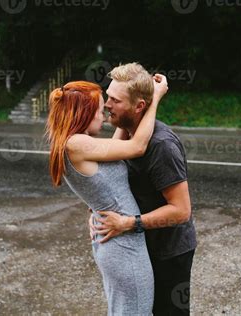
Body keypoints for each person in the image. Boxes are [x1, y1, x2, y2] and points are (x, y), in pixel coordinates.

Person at [45, 75, 168, 315]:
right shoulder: (77, 144)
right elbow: (137, 147)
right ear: (84, 114)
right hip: (124, 246)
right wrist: (154, 100)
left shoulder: (74, 142)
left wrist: (133, 105)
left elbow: (115, 152)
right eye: (100, 111)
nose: (105, 115)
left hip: (115, 241)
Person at [90, 62, 197, 315]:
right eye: (108, 97)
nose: (106, 105)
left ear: (139, 107)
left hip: (169, 252)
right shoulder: (127, 134)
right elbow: (108, 173)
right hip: (142, 244)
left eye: (115, 101)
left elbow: (181, 211)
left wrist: (128, 224)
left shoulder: (162, 146)